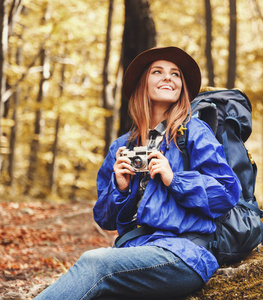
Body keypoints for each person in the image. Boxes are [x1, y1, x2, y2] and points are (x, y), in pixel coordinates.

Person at [35, 46, 241, 299]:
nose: (168, 77)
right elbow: (105, 219)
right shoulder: (123, 146)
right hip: (135, 250)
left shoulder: (194, 133)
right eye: (158, 71)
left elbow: (227, 193)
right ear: (143, 84)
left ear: (182, 88)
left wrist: (175, 179)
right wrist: (120, 188)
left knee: (94, 263)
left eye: (175, 74)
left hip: (183, 253)